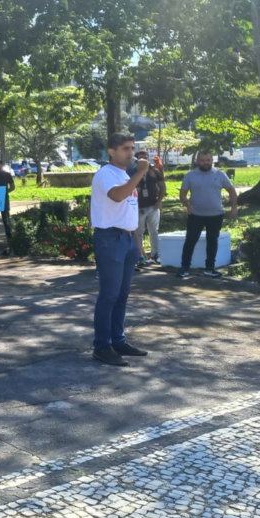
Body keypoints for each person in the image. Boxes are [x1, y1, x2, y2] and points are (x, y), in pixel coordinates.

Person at [90, 131, 149, 366]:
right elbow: (117, 196)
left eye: (132, 148)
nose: (131, 153)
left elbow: (128, 210)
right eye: (126, 149)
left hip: (127, 240)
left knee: (122, 295)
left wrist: (138, 242)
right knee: (109, 295)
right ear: (111, 152)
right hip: (109, 239)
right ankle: (102, 346)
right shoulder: (106, 173)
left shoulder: (124, 174)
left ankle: (118, 340)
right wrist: (141, 172)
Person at [177, 152, 238, 279]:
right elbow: (182, 194)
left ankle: (209, 268)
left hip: (216, 214)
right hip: (196, 214)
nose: (206, 162)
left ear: (212, 160)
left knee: (212, 241)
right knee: (190, 241)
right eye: (203, 160)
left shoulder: (220, 174)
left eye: (208, 160)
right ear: (197, 161)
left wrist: (234, 208)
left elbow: (231, 190)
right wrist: (188, 205)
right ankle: (184, 268)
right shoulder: (190, 175)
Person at [132, 150, 166, 266]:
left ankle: (155, 254)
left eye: (146, 158)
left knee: (154, 231)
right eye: (141, 159)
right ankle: (139, 256)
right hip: (138, 207)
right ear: (136, 161)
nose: (144, 160)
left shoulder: (154, 171)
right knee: (138, 232)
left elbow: (163, 187)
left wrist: (159, 201)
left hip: (153, 205)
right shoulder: (132, 172)